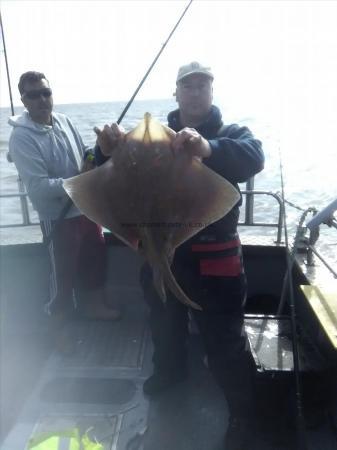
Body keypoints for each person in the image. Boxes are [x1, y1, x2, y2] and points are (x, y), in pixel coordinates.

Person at [94, 62, 265, 450]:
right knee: (164, 324)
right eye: (188, 86)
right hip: (156, 252)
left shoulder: (228, 133)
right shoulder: (146, 142)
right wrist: (104, 151)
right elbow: (98, 173)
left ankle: (242, 413)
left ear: (211, 91)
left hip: (215, 260)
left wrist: (206, 148)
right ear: (176, 93)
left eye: (202, 85)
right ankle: (169, 372)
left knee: (224, 340)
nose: (195, 91)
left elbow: (253, 157)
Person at [8, 71, 120, 322]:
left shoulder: (64, 121)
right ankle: (59, 323)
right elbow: (38, 188)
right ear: (24, 100)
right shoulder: (21, 138)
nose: (42, 99)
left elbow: (84, 155)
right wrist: (81, 181)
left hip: (86, 208)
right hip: (56, 216)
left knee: (95, 259)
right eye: (33, 95)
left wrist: (98, 151)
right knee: (62, 274)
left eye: (46, 93)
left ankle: (94, 306)